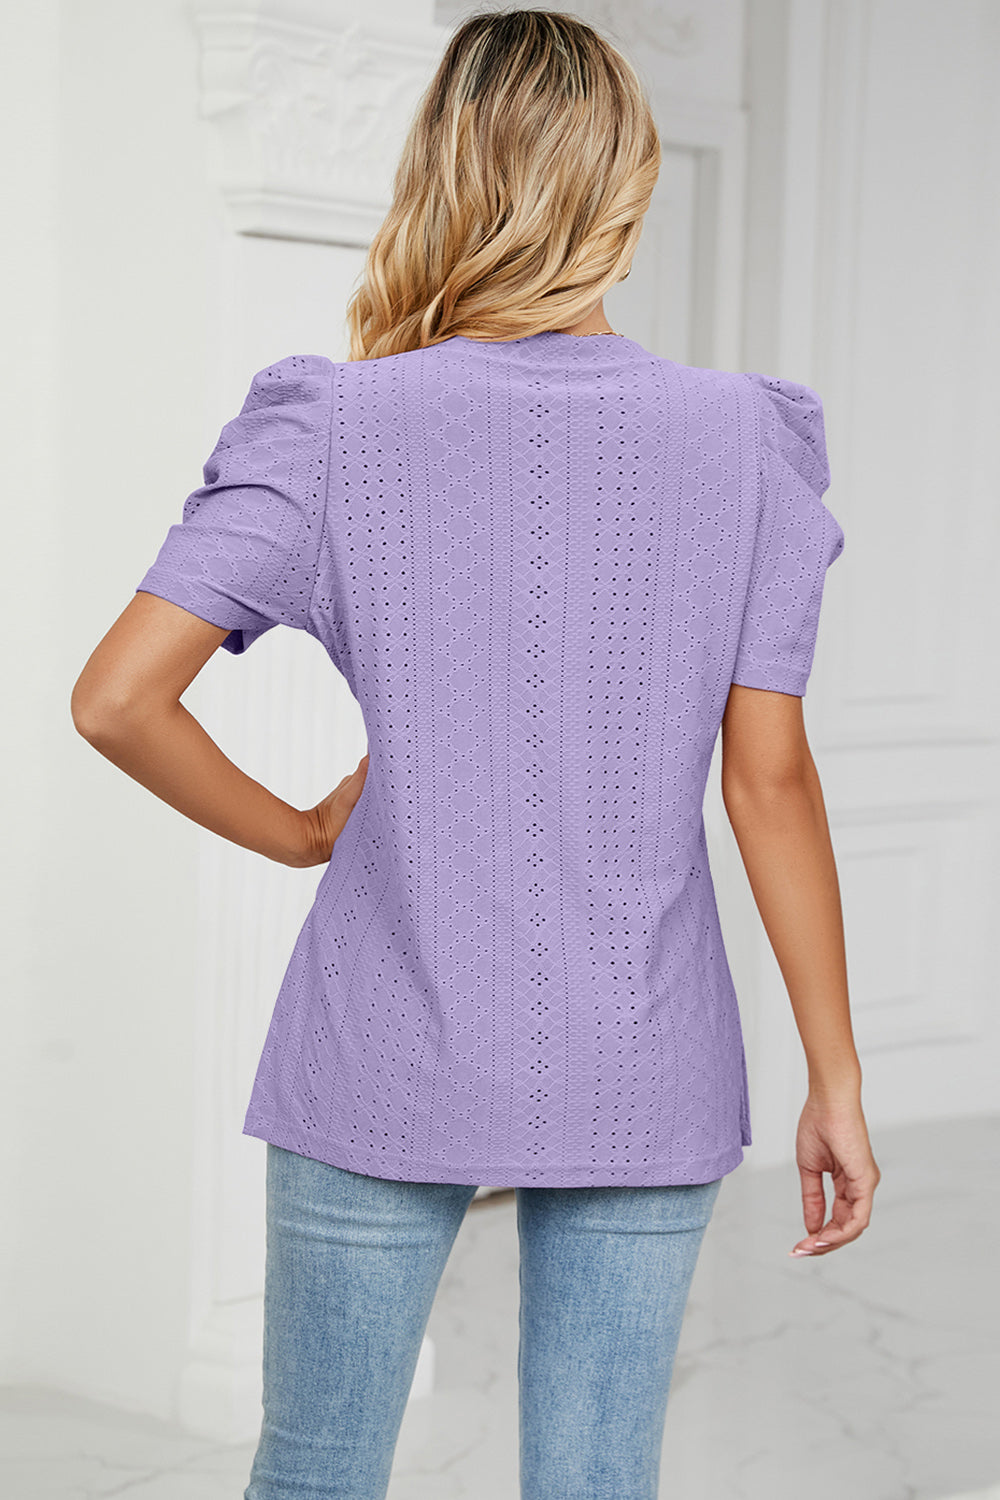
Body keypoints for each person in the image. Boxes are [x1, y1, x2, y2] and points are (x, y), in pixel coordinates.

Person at [70, 8, 880, 1498]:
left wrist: (298, 832)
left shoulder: (333, 427)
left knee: (314, 1474)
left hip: (381, 1032)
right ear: (628, 184)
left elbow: (118, 699)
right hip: (644, 1051)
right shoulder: (744, 442)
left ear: (441, 172)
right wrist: (834, 1075)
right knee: (597, 1480)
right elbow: (767, 781)